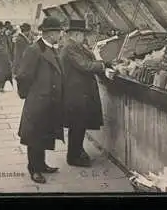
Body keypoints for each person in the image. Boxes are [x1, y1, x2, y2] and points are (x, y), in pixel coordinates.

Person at [16, 16, 65, 184]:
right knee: (35, 136)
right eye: (59, 32)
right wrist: (30, 95)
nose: (61, 35)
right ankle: (34, 169)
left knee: (43, 134)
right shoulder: (34, 49)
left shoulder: (50, 48)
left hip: (48, 101)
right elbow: (23, 75)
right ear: (51, 34)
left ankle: (41, 164)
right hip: (38, 101)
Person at [60, 19, 110, 167]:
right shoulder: (70, 48)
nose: (84, 38)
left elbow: (87, 60)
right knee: (77, 126)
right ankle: (73, 157)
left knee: (79, 126)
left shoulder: (75, 46)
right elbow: (85, 65)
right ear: (76, 34)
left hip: (78, 93)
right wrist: (102, 65)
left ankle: (77, 152)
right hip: (75, 94)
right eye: (83, 35)